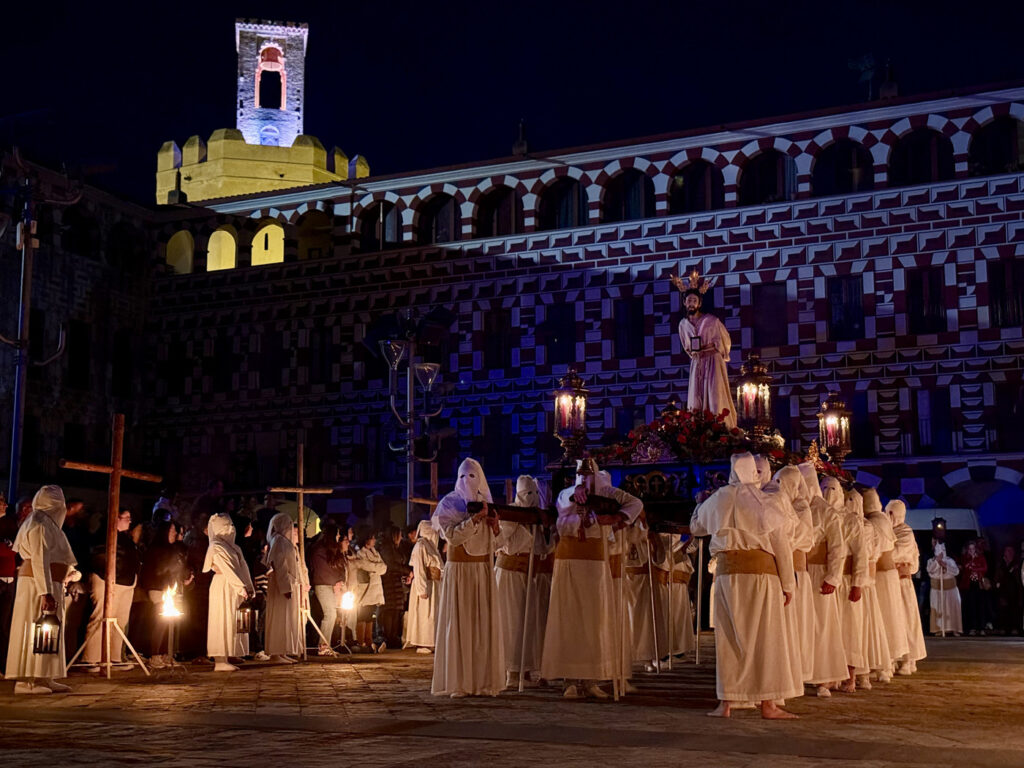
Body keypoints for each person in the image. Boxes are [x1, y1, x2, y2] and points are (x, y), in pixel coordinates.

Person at [690, 453, 800, 719]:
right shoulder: (765, 502)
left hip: (728, 577)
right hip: (762, 578)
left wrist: (700, 503)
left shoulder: (718, 499)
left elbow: (696, 527)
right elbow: (781, 546)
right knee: (766, 638)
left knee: (728, 638)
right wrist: (788, 584)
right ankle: (768, 704)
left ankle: (726, 703)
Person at [541, 459, 643, 700]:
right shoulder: (566, 494)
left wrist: (618, 518)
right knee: (569, 619)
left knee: (594, 621)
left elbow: (636, 504)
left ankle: (591, 679)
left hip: (595, 565)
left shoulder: (608, 493)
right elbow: (564, 500)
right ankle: (569, 680)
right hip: (568, 564)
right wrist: (575, 491)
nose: (584, 479)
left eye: (588, 475)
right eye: (580, 474)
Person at [431, 457, 507, 697]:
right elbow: (452, 537)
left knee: (482, 626)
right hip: (460, 573)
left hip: (482, 571)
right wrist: (473, 520)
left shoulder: (488, 504)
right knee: (460, 625)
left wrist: (494, 526)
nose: (467, 481)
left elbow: (500, 544)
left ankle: (484, 681)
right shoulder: (449, 503)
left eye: (472, 476)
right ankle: (460, 682)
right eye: (463, 476)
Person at [5, 486, 80, 694]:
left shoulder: (47, 523)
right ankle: (27, 680)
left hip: (50, 583)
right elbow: (39, 559)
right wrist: (44, 592)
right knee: (34, 627)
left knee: (48, 630)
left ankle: (45, 675)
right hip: (36, 585)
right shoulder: (39, 523)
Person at [797, 464, 847, 698]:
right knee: (800, 623)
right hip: (799, 572)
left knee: (822, 624)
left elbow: (838, 547)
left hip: (819, 574)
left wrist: (833, 577)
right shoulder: (795, 507)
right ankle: (800, 673)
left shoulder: (826, 512)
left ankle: (824, 677)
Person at [671, 269, 737, 429]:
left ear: (699, 303)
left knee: (714, 396)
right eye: (689, 300)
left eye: (694, 300)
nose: (691, 303)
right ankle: (697, 429)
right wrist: (696, 354)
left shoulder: (712, 321)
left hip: (713, 361)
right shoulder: (683, 325)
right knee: (696, 396)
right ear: (684, 303)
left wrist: (713, 351)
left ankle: (720, 427)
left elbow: (725, 341)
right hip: (697, 362)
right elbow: (687, 346)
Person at [495, 475, 544, 687]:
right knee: (511, 623)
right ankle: (511, 672)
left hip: (527, 574)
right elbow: (501, 542)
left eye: (534, 493)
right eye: (527, 494)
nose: (531, 498)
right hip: (509, 575)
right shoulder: (511, 514)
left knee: (527, 622)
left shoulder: (535, 516)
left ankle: (525, 669)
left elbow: (542, 546)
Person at [772, 465, 814, 697]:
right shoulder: (775, 502)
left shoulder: (801, 508)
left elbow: (799, 538)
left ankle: (795, 675)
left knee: (795, 626)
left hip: (795, 572)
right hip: (779, 571)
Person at [82, 508, 142, 672]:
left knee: (119, 621)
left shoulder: (126, 538)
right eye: (126, 517)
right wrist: (109, 576)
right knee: (101, 617)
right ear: (116, 518)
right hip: (107, 580)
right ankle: (91, 659)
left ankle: (114, 657)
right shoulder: (104, 535)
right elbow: (99, 557)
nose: (130, 521)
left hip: (126, 583)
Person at [822, 477, 866, 694]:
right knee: (829, 629)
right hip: (825, 580)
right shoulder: (820, 514)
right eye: (824, 488)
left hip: (846, 582)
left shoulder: (851, 520)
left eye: (832, 489)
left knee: (849, 628)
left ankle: (851, 675)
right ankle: (829, 674)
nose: (828, 493)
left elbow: (860, 554)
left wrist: (858, 583)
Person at [863, 489, 907, 677]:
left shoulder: (873, 522)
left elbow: (873, 551)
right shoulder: (882, 520)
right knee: (891, 616)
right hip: (889, 575)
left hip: (881, 575)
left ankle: (885, 664)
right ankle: (888, 663)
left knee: (883, 618)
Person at [204, 513, 255, 671]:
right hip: (223, 585)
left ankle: (231, 652)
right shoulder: (216, 546)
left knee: (233, 620)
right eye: (226, 526)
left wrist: (248, 587)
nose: (231, 529)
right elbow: (228, 569)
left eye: (231, 525)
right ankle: (220, 659)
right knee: (222, 619)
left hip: (235, 587)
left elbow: (242, 567)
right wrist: (241, 587)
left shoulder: (234, 547)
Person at [139, 520, 192, 668]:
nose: (175, 533)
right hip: (159, 590)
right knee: (160, 623)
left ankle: (166, 654)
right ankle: (155, 655)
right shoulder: (156, 549)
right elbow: (156, 571)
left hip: (171, 589)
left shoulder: (173, 549)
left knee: (170, 623)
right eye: (172, 530)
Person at [886, 500, 927, 674]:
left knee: (907, 620)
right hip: (890, 581)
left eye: (890, 513)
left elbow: (896, 554)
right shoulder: (888, 530)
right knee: (892, 619)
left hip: (902, 584)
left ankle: (909, 659)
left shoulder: (905, 533)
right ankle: (894, 657)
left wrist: (882, 555)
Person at [264, 513, 305, 663]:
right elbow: (279, 565)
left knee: (286, 618)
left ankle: (282, 650)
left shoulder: (282, 541)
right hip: (281, 584)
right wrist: (285, 586)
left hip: (288, 583)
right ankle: (275, 652)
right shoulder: (279, 541)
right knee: (279, 618)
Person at [310, 523, 348, 656]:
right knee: (330, 614)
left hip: (332, 585)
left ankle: (325, 644)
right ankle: (323, 645)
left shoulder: (332, 550)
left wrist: (340, 582)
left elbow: (341, 568)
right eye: (337, 534)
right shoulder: (319, 550)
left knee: (332, 614)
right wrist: (335, 582)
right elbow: (323, 571)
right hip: (323, 585)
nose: (338, 537)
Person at [404, 519, 441, 654]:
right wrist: (422, 589)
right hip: (426, 584)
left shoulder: (432, 546)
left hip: (434, 584)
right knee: (425, 614)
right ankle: (424, 641)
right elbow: (419, 569)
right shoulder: (421, 546)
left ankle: (433, 640)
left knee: (433, 614)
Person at [352, 531, 387, 652]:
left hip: (375, 588)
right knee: (363, 614)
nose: (374, 541)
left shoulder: (375, 552)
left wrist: (375, 568)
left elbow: (384, 567)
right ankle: (361, 641)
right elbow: (365, 565)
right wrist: (376, 567)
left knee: (370, 615)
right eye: (372, 538)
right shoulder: (360, 553)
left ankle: (369, 640)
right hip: (366, 588)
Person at [379, 524, 411, 650]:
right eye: (399, 535)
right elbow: (391, 564)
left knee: (396, 610)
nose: (401, 538)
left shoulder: (397, 548)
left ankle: (393, 637)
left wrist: (405, 573)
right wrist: (406, 571)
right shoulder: (387, 549)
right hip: (389, 581)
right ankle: (388, 637)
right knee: (390, 610)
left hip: (397, 581)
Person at [927, 543, 962, 635]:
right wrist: (937, 562)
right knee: (938, 608)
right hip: (937, 589)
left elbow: (956, 571)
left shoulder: (950, 560)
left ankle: (954, 628)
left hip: (950, 588)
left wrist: (945, 565)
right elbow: (930, 570)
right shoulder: (931, 561)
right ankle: (939, 629)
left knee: (951, 608)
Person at [0, 493, 18, 673]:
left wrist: (10, 548)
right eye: (0, 503)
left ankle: (3, 663)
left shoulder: (10, 524)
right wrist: (9, 548)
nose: (4, 506)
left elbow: (16, 548)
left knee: (4, 625)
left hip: (9, 578)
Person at [959, 540, 988, 635]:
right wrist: (970, 564)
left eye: (973, 548)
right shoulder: (965, 558)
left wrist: (974, 568)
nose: (971, 550)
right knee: (971, 607)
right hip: (969, 585)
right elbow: (964, 568)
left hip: (978, 584)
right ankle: (973, 627)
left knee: (981, 606)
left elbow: (985, 568)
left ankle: (982, 628)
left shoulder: (980, 557)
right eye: (970, 549)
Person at [993, 545, 1022, 635]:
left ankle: (1015, 628)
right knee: (1003, 609)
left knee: (1014, 609)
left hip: (1015, 591)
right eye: (1007, 551)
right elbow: (997, 576)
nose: (1008, 553)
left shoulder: (1017, 564)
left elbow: (1018, 577)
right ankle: (1004, 628)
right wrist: (996, 583)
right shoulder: (1001, 564)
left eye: (1010, 551)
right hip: (1003, 591)